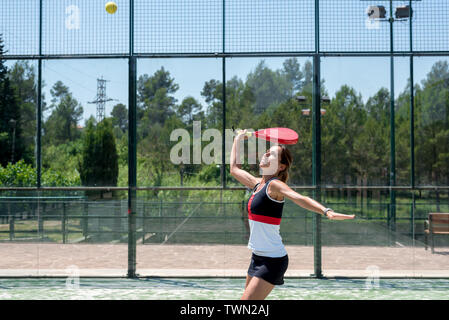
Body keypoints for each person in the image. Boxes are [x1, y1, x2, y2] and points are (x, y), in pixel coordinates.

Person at [230, 129, 355, 300]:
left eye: (271, 154)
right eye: (266, 152)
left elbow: (299, 198)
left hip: (272, 261)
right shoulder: (257, 184)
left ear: (281, 166)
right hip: (257, 257)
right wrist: (238, 138)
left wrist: (326, 211)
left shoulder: (275, 185)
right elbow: (234, 168)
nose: (265, 155)